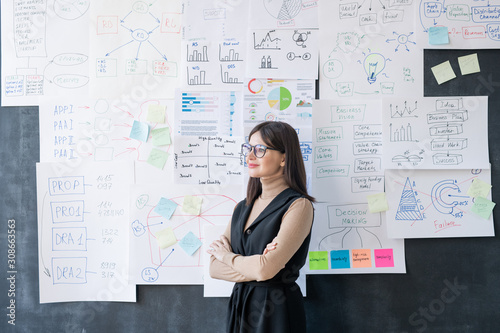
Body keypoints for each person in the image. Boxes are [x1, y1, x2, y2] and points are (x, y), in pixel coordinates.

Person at [207, 121, 315, 333]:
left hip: (276, 312)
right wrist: (260, 267)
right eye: (249, 148)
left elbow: (263, 268)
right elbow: (213, 267)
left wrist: (228, 257)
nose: (250, 157)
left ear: (284, 157)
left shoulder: (298, 205)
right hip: (240, 305)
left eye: (260, 149)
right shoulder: (242, 207)